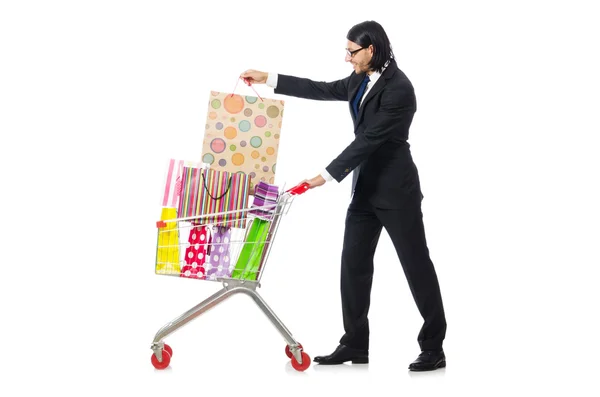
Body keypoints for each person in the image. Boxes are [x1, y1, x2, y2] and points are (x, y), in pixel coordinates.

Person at [241, 20, 447, 371]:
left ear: (372, 50)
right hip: (365, 190)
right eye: (347, 51)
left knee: (416, 265)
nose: (347, 58)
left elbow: (369, 141)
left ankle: (433, 346)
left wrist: (324, 176)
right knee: (353, 265)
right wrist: (270, 78)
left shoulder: (399, 88)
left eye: (352, 52)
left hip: (397, 191)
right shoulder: (361, 78)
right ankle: (354, 344)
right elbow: (322, 89)